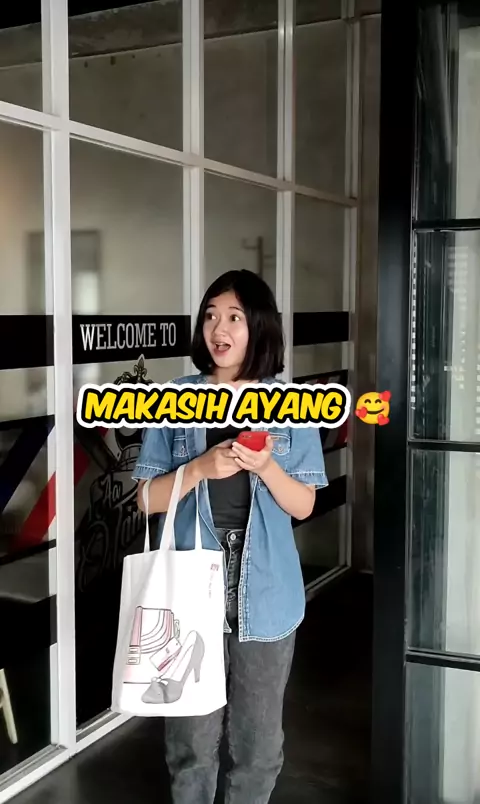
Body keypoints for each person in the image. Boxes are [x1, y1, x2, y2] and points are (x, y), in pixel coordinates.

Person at [132, 269, 327, 804]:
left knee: (258, 746)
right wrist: (197, 469)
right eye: (211, 316)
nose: (219, 329)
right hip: (191, 578)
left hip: (266, 585)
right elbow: (145, 499)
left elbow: (304, 503)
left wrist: (266, 467)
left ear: (258, 326)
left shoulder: (293, 403)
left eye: (234, 317)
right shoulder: (173, 399)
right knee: (190, 743)